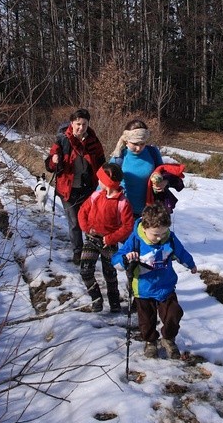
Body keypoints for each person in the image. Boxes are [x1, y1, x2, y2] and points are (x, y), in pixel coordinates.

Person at [113, 204, 198, 359]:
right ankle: (150, 341)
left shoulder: (169, 238)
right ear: (145, 228)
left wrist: (190, 264)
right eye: (156, 235)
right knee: (146, 320)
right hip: (143, 288)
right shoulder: (135, 240)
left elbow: (180, 252)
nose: (160, 238)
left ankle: (168, 338)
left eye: (163, 233)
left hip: (166, 286)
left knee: (174, 313)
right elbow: (117, 261)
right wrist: (126, 259)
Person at [45, 108, 106, 265]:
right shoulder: (62, 140)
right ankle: (78, 251)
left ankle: (90, 248)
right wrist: (54, 160)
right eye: (78, 124)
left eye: (84, 124)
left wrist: (105, 180)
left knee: (90, 219)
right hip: (68, 189)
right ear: (72, 123)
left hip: (88, 188)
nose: (81, 127)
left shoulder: (93, 140)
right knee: (74, 222)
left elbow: (101, 161)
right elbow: (50, 166)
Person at [77, 163, 134, 313]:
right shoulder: (96, 195)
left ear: (107, 182)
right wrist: (86, 228)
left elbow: (128, 226)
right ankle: (96, 299)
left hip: (109, 243)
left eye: (100, 179)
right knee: (85, 271)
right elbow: (83, 211)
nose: (98, 182)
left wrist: (111, 238)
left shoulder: (123, 203)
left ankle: (114, 301)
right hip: (91, 239)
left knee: (110, 274)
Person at [111, 119, 163, 217]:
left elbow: (163, 172)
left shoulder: (153, 153)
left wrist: (164, 182)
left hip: (149, 211)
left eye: (142, 143)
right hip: (123, 211)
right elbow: (105, 183)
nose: (138, 148)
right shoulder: (119, 157)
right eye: (135, 144)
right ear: (126, 140)